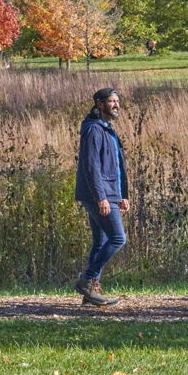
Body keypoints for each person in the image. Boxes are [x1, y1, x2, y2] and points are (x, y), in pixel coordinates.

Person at [73, 88, 129, 307]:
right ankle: (88, 279)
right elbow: (91, 167)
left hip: (107, 192)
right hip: (97, 194)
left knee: (101, 241)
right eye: (111, 101)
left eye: (117, 101)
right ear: (99, 104)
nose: (115, 105)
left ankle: (90, 294)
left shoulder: (108, 128)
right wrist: (101, 198)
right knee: (117, 238)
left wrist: (122, 195)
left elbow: (117, 165)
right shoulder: (93, 130)